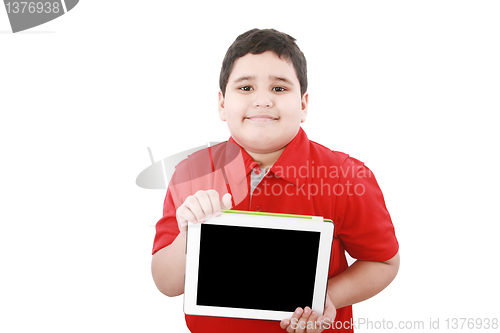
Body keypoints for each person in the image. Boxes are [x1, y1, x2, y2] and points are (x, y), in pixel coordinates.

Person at [151, 28, 400, 333]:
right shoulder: (190, 174)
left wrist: (330, 296)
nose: (263, 101)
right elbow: (166, 283)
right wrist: (188, 237)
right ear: (221, 103)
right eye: (245, 88)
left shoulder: (348, 176)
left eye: (279, 89)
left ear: (304, 104)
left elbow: (384, 262)